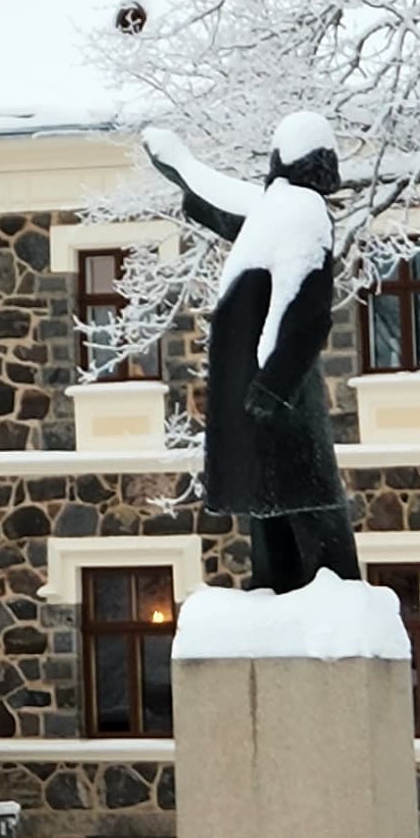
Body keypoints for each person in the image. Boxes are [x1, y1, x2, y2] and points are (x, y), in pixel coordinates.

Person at [140, 113, 361, 593]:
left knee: (299, 501)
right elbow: (224, 205)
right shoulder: (284, 209)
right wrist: (180, 166)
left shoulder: (297, 211)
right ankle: (288, 596)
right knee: (279, 500)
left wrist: (275, 382)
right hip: (266, 390)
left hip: (274, 390)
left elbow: (307, 309)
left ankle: (329, 600)